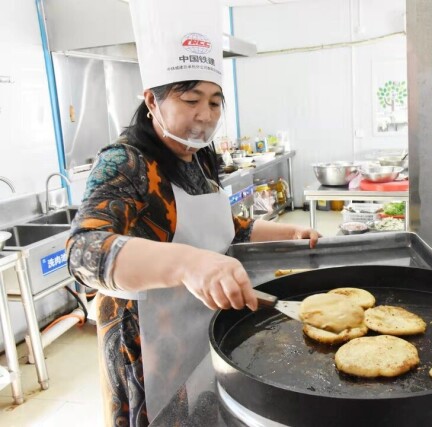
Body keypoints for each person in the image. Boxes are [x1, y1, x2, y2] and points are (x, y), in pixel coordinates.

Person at [66, 3, 319, 426]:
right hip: (148, 345)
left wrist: (284, 234)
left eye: (215, 102)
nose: (205, 115)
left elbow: (219, 230)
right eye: (190, 100)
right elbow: (83, 252)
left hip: (206, 326)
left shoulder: (199, 156)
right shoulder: (124, 162)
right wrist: (188, 265)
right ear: (152, 100)